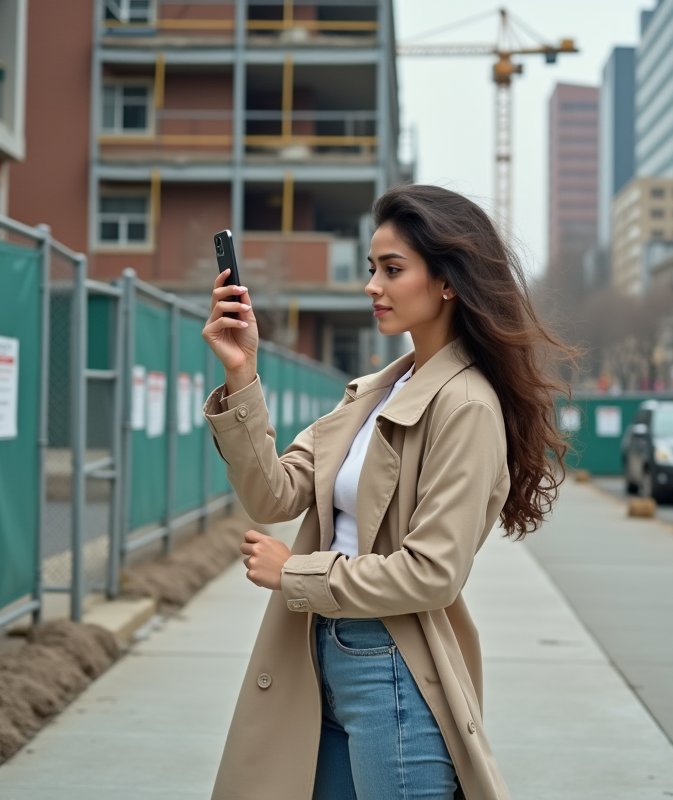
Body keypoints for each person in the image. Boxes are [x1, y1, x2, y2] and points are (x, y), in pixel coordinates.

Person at [201, 184, 576, 800]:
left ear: (448, 282)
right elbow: (274, 495)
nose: (372, 285)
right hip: (320, 653)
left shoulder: (466, 407)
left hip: (392, 669)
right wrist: (241, 374)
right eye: (373, 268)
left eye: (393, 270)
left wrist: (295, 571)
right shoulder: (376, 392)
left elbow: (433, 572)